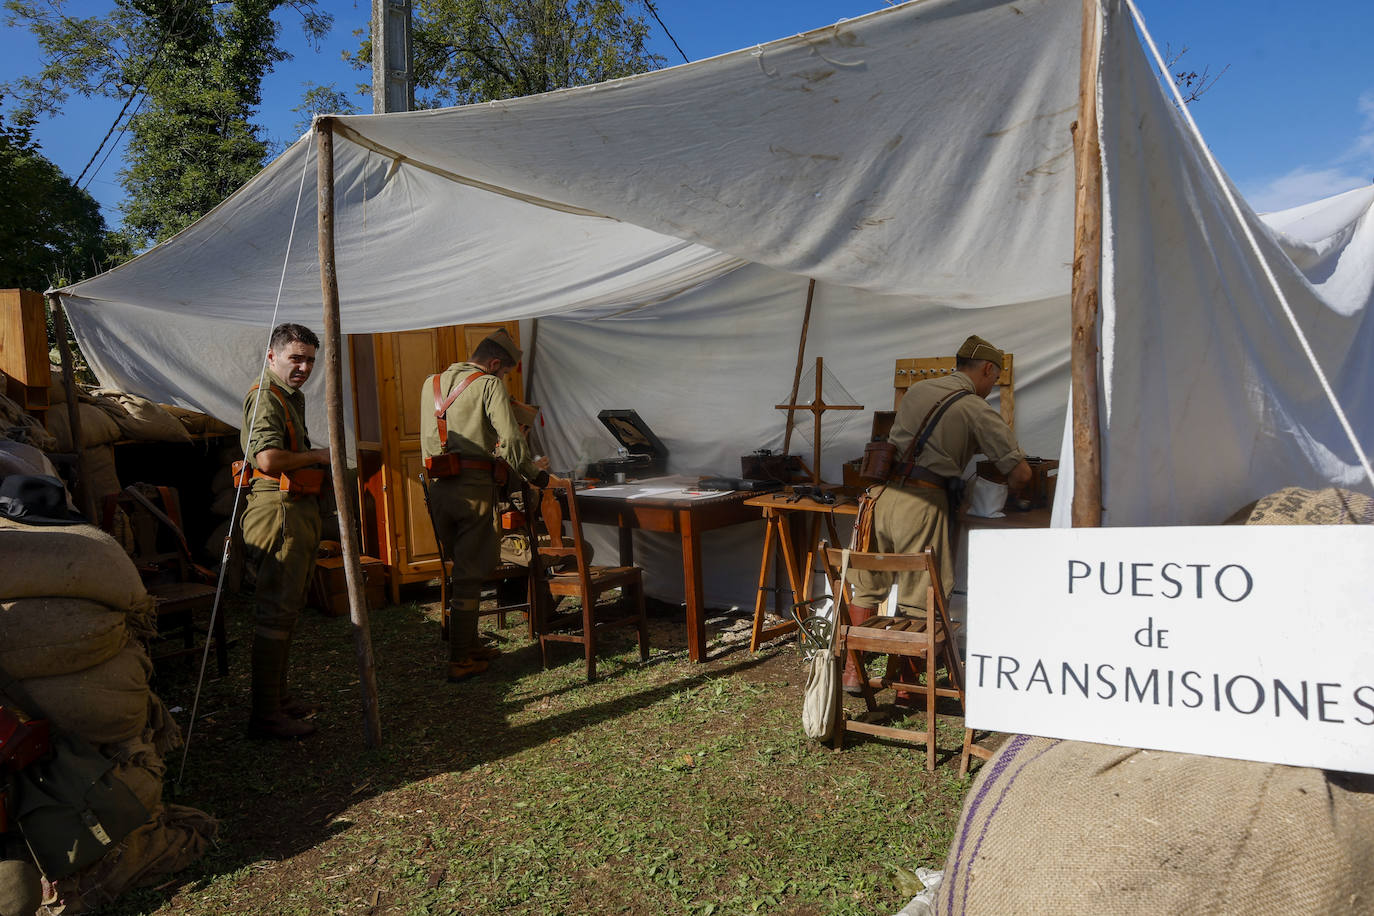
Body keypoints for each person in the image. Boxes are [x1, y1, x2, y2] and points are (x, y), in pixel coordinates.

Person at [846, 335, 1031, 694]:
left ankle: (853, 673)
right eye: (994, 379)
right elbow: (1021, 473)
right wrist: (1012, 494)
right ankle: (906, 687)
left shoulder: (918, 391)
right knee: (921, 595)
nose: (992, 387)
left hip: (880, 498)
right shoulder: (975, 409)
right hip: (922, 505)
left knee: (868, 585)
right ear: (987, 369)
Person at [420, 328, 552, 682]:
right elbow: (510, 439)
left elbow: (429, 440)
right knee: (470, 576)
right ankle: (460, 659)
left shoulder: (431, 384)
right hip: (474, 491)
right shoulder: (489, 385)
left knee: (462, 568)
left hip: (439, 489)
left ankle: (471, 644)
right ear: (494, 364)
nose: (503, 378)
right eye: (505, 372)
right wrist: (534, 475)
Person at [239, 322, 331, 738]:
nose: (304, 368)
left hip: (295, 508)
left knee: (288, 609)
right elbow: (267, 460)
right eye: (295, 358)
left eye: (309, 360)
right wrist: (319, 456)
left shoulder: (289, 397)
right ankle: (265, 715)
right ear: (272, 356)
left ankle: (277, 699)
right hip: (277, 510)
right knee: (276, 612)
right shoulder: (266, 396)